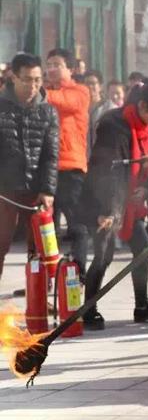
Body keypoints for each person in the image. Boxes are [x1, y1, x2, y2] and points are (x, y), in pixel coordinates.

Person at [78, 83, 148, 328]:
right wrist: (108, 210)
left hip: (130, 202)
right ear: (143, 106)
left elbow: (146, 163)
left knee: (143, 249)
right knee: (104, 256)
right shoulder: (114, 125)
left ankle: (142, 307)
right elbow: (107, 171)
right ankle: (89, 311)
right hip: (106, 201)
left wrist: (146, 186)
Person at [0, 54, 59, 280]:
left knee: (40, 248)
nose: (33, 86)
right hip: (5, 191)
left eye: (37, 80)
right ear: (13, 78)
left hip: (36, 190)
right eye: (27, 80)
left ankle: (39, 299)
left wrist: (48, 190)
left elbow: (51, 155)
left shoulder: (48, 111)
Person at [45, 48, 90, 271]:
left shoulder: (80, 92)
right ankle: (46, 275)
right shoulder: (43, 91)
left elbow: (63, 102)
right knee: (44, 225)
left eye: (57, 65)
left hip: (71, 167)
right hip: (44, 167)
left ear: (70, 69)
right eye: (49, 64)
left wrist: (33, 91)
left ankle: (79, 271)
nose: (51, 69)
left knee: (76, 224)